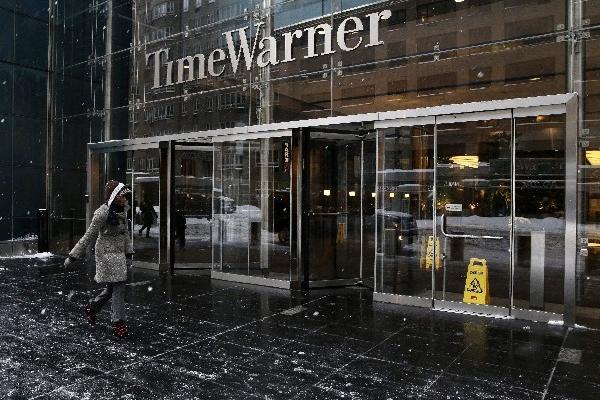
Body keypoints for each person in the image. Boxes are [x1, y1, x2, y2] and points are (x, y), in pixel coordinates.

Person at [63, 180, 133, 338]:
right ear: (114, 196)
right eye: (123, 196)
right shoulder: (102, 213)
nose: (125, 198)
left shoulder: (123, 211)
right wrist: (73, 256)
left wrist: (129, 253)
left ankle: (92, 307)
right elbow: (89, 236)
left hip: (118, 254)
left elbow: (125, 234)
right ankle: (118, 322)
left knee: (111, 289)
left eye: (126, 196)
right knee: (119, 288)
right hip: (106, 255)